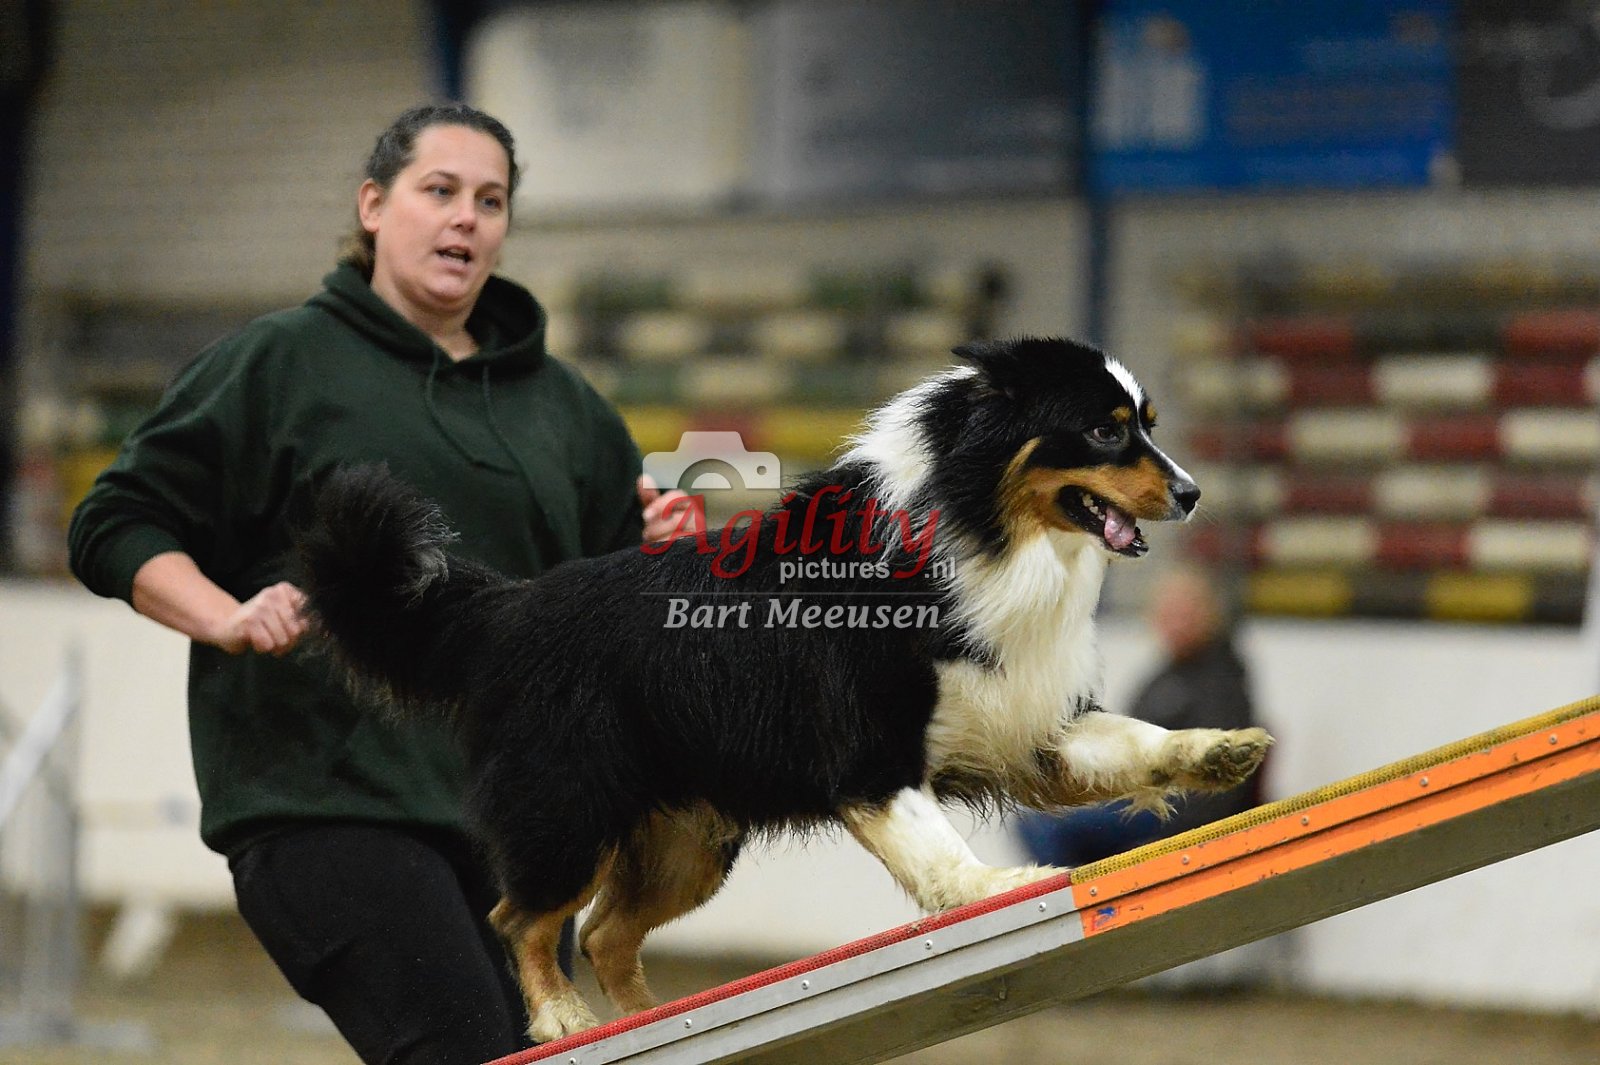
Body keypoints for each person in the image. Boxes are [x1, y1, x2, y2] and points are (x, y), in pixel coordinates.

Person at [68, 102, 692, 1065]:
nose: (466, 217)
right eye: (439, 191)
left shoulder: (568, 411)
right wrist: (225, 615)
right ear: (372, 205)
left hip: (514, 827)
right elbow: (114, 520)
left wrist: (655, 552)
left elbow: (606, 629)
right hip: (327, 810)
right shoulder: (278, 363)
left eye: (490, 200)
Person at [1015, 566, 1263, 868]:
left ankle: (1088, 892)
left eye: (1186, 611)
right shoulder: (1164, 676)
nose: (1177, 621)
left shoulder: (1221, 680)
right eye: (1170, 611)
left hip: (1177, 808)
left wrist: (1184, 833)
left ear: (1209, 614)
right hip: (1146, 798)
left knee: (1049, 827)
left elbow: (1222, 776)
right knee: (1037, 818)